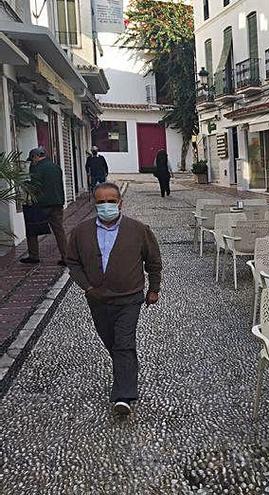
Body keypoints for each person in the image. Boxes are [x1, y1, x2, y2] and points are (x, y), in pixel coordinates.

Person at [66, 182, 162, 416]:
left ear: (120, 203)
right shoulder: (81, 232)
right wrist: (88, 287)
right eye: (101, 202)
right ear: (94, 204)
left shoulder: (139, 229)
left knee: (124, 343)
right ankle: (125, 369)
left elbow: (153, 261)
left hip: (130, 298)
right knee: (112, 342)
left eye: (111, 201)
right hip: (98, 299)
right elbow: (73, 262)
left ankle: (124, 396)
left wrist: (154, 289)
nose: (106, 205)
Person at [20, 146, 67, 266]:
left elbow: (34, 186)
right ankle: (66, 257)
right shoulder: (56, 167)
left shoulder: (37, 168)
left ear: (36, 156)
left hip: (41, 204)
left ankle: (33, 256)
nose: (32, 161)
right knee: (59, 230)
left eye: (32, 159)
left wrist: (24, 183)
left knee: (32, 229)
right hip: (57, 203)